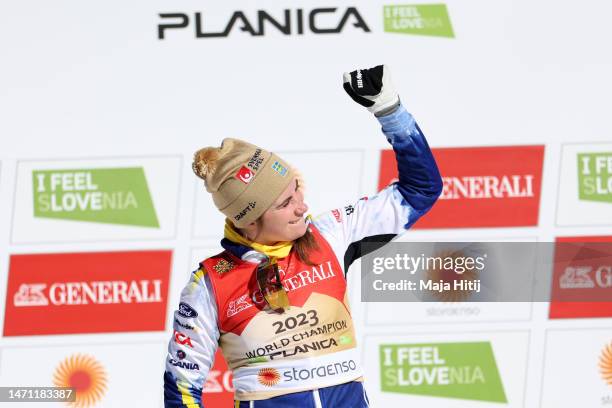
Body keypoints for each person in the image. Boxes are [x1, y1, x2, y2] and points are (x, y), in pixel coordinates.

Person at [164, 65, 443, 407]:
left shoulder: (330, 235)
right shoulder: (210, 283)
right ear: (249, 219)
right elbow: (181, 389)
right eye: (285, 203)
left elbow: (420, 191)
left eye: (297, 191)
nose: (302, 207)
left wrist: (390, 112)